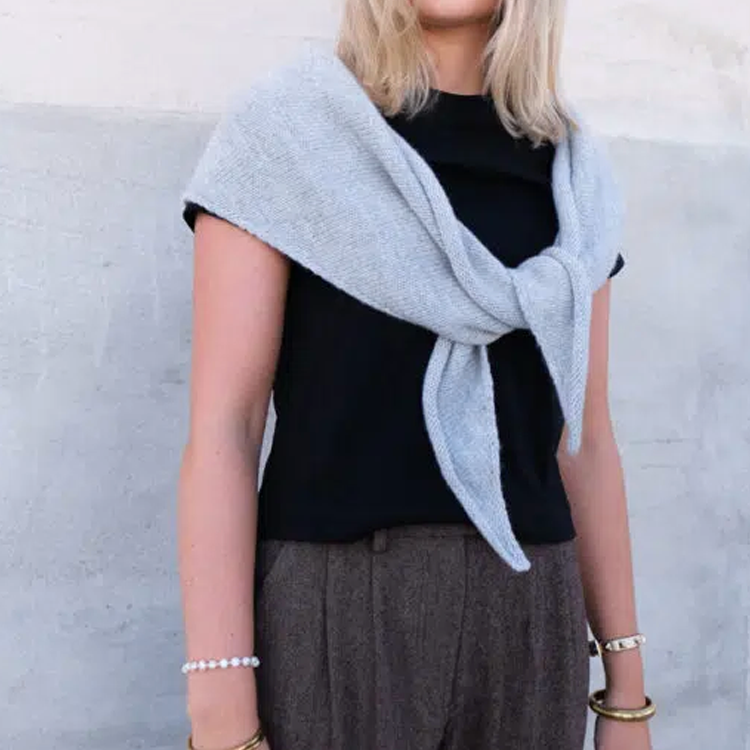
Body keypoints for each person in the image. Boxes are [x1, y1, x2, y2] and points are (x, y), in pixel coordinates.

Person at [177, 1, 655, 749]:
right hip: (335, 606)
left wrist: (625, 693)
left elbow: (585, 440)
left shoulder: (574, 177)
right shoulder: (287, 137)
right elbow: (226, 430)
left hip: (532, 612)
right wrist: (219, 703)